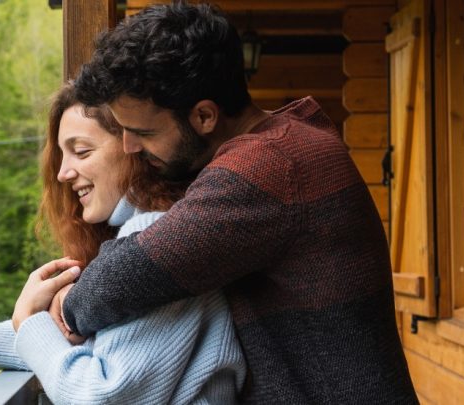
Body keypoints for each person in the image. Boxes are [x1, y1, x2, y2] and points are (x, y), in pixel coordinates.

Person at [58, 3, 418, 404]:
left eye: (142, 131)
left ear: (205, 116)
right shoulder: (288, 146)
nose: (130, 147)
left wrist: (63, 303)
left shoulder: (266, 169)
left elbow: (118, 281)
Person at [0, 83, 245, 404]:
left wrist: (29, 320)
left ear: (134, 147)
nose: (63, 173)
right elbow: (76, 342)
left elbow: (99, 395)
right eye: (62, 154)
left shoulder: (155, 237)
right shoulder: (142, 234)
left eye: (81, 151)